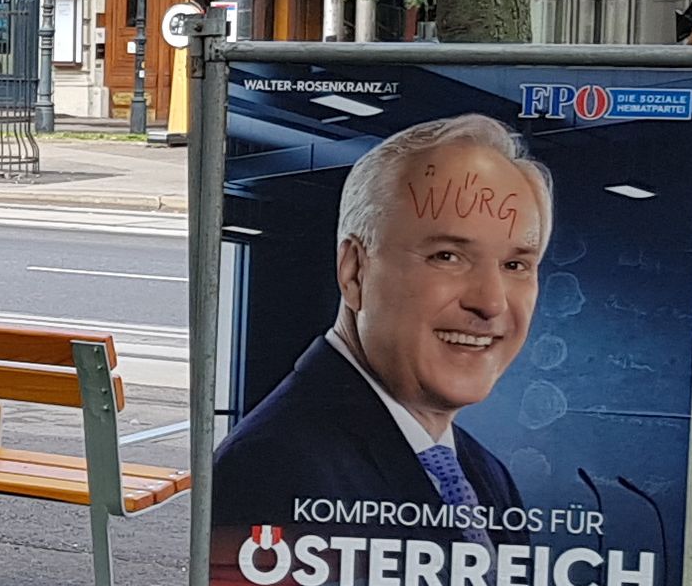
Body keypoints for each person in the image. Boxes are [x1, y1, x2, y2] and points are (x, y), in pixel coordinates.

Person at [214, 112, 551, 537]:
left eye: (516, 264)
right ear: (355, 272)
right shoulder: (271, 471)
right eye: (447, 255)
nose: (491, 302)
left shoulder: (484, 474)